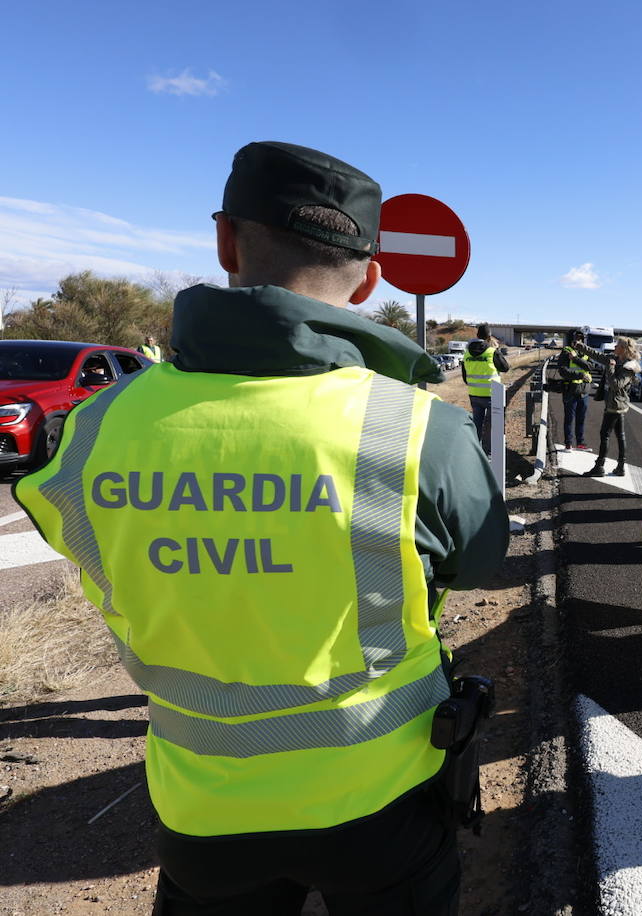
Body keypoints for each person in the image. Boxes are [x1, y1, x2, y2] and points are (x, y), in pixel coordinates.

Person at [15, 140, 509, 914]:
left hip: (201, 807)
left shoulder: (97, 427)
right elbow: (478, 562)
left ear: (224, 242)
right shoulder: (414, 429)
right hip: (384, 798)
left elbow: (68, 533)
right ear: (371, 277)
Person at [584, 336, 641, 477]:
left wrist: (610, 368)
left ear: (623, 349)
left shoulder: (629, 367)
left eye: (617, 346)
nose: (614, 347)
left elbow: (616, 385)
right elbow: (598, 356)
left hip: (615, 405)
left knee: (605, 435)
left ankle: (599, 466)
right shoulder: (616, 358)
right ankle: (620, 467)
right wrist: (581, 347)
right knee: (620, 435)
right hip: (615, 403)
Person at [462, 322, 510, 454]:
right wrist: (497, 350)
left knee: (477, 424)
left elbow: (465, 378)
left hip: (474, 395)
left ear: (477, 335)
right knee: (491, 426)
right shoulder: (491, 352)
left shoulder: (467, 354)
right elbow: (505, 368)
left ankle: (476, 453)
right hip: (491, 395)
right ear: (489, 336)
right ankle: (488, 454)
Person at [557, 327, 595, 450]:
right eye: (577, 338)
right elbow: (563, 371)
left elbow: (590, 367)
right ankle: (568, 443)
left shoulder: (586, 352)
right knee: (569, 419)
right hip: (570, 390)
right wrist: (580, 375)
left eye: (581, 338)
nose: (579, 340)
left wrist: (575, 359)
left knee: (581, 418)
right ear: (571, 339)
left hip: (584, 390)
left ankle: (580, 442)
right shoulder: (566, 351)